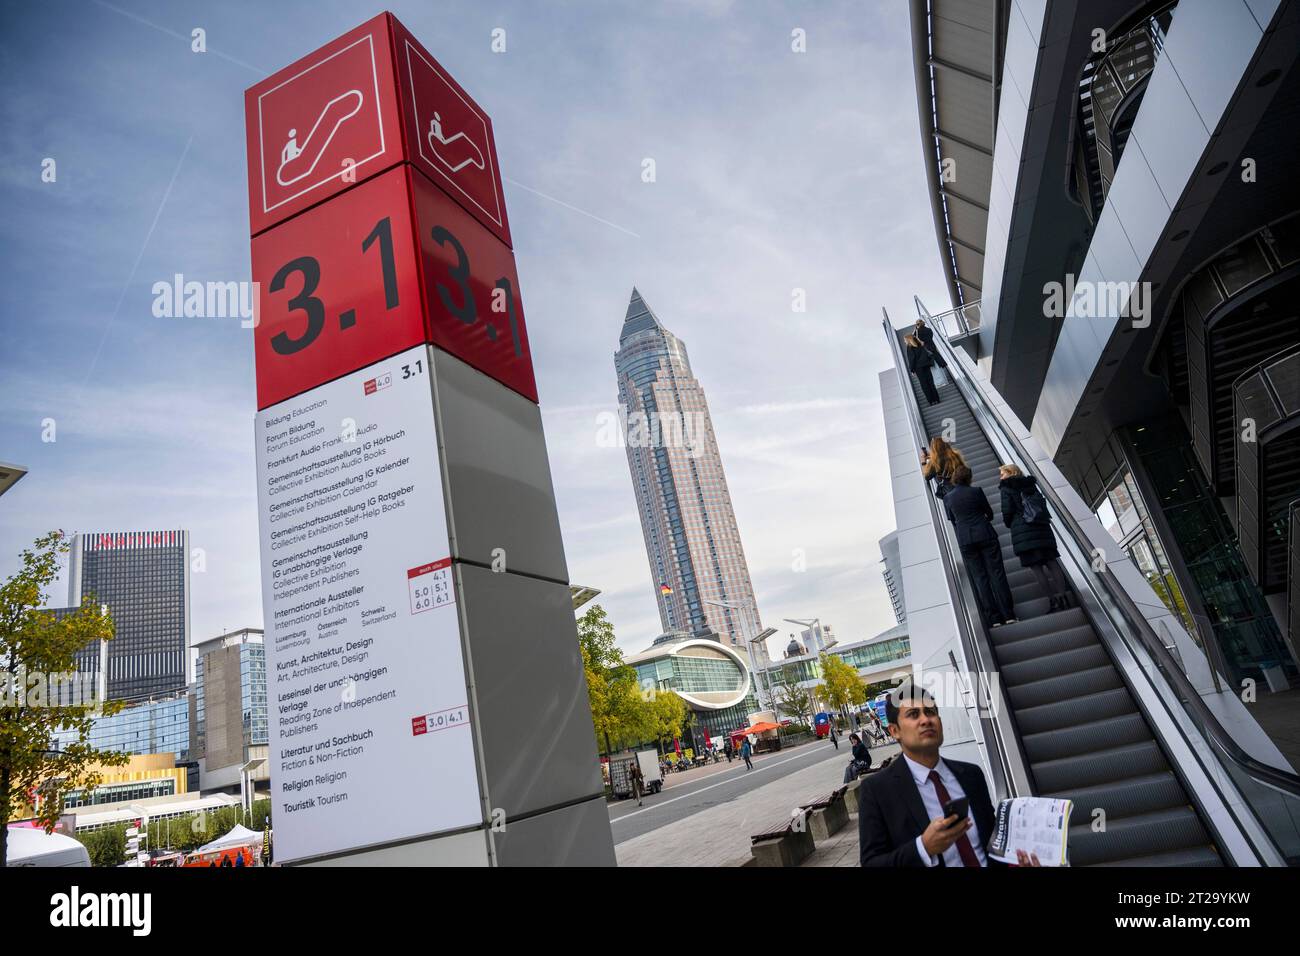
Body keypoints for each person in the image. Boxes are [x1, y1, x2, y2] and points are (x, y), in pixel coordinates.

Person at [858, 680, 1040, 867]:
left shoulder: (971, 775)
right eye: (914, 714)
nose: (926, 720)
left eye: (930, 712)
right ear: (895, 731)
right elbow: (872, 862)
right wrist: (923, 848)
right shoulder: (877, 791)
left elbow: (991, 844)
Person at [943, 465, 1017, 628]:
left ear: (955, 478)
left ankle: (994, 618)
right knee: (997, 573)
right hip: (985, 534)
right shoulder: (976, 491)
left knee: (979, 578)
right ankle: (1009, 614)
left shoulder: (948, 498)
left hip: (966, 540)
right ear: (969, 478)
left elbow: (953, 520)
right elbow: (989, 513)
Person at [999, 464, 1074, 612]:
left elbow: (1007, 511)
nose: (1000, 477)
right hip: (1041, 527)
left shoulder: (1006, 488)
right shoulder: (1029, 483)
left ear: (1010, 472)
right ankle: (1065, 598)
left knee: (1037, 568)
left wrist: (1011, 522)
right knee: (1052, 563)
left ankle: (1054, 602)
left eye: (1002, 474)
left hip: (1023, 532)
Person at [904, 334, 942, 405]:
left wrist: (912, 370)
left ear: (908, 340)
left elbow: (912, 359)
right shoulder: (919, 344)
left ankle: (931, 401)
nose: (904, 342)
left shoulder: (909, 347)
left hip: (918, 368)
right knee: (931, 383)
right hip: (926, 365)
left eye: (905, 340)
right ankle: (937, 399)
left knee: (924, 385)